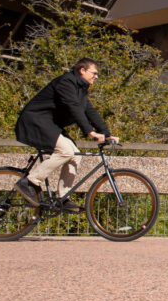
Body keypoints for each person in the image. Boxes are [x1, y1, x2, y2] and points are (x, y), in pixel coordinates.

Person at [13, 58, 119, 211]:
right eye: (94, 73)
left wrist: (107, 134)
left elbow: (89, 111)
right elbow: (74, 107)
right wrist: (90, 132)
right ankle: (29, 182)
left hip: (50, 123)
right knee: (66, 151)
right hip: (36, 120)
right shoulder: (66, 82)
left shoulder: (81, 89)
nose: (96, 76)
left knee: (76, 154)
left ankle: (63, 197)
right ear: (82, 70)